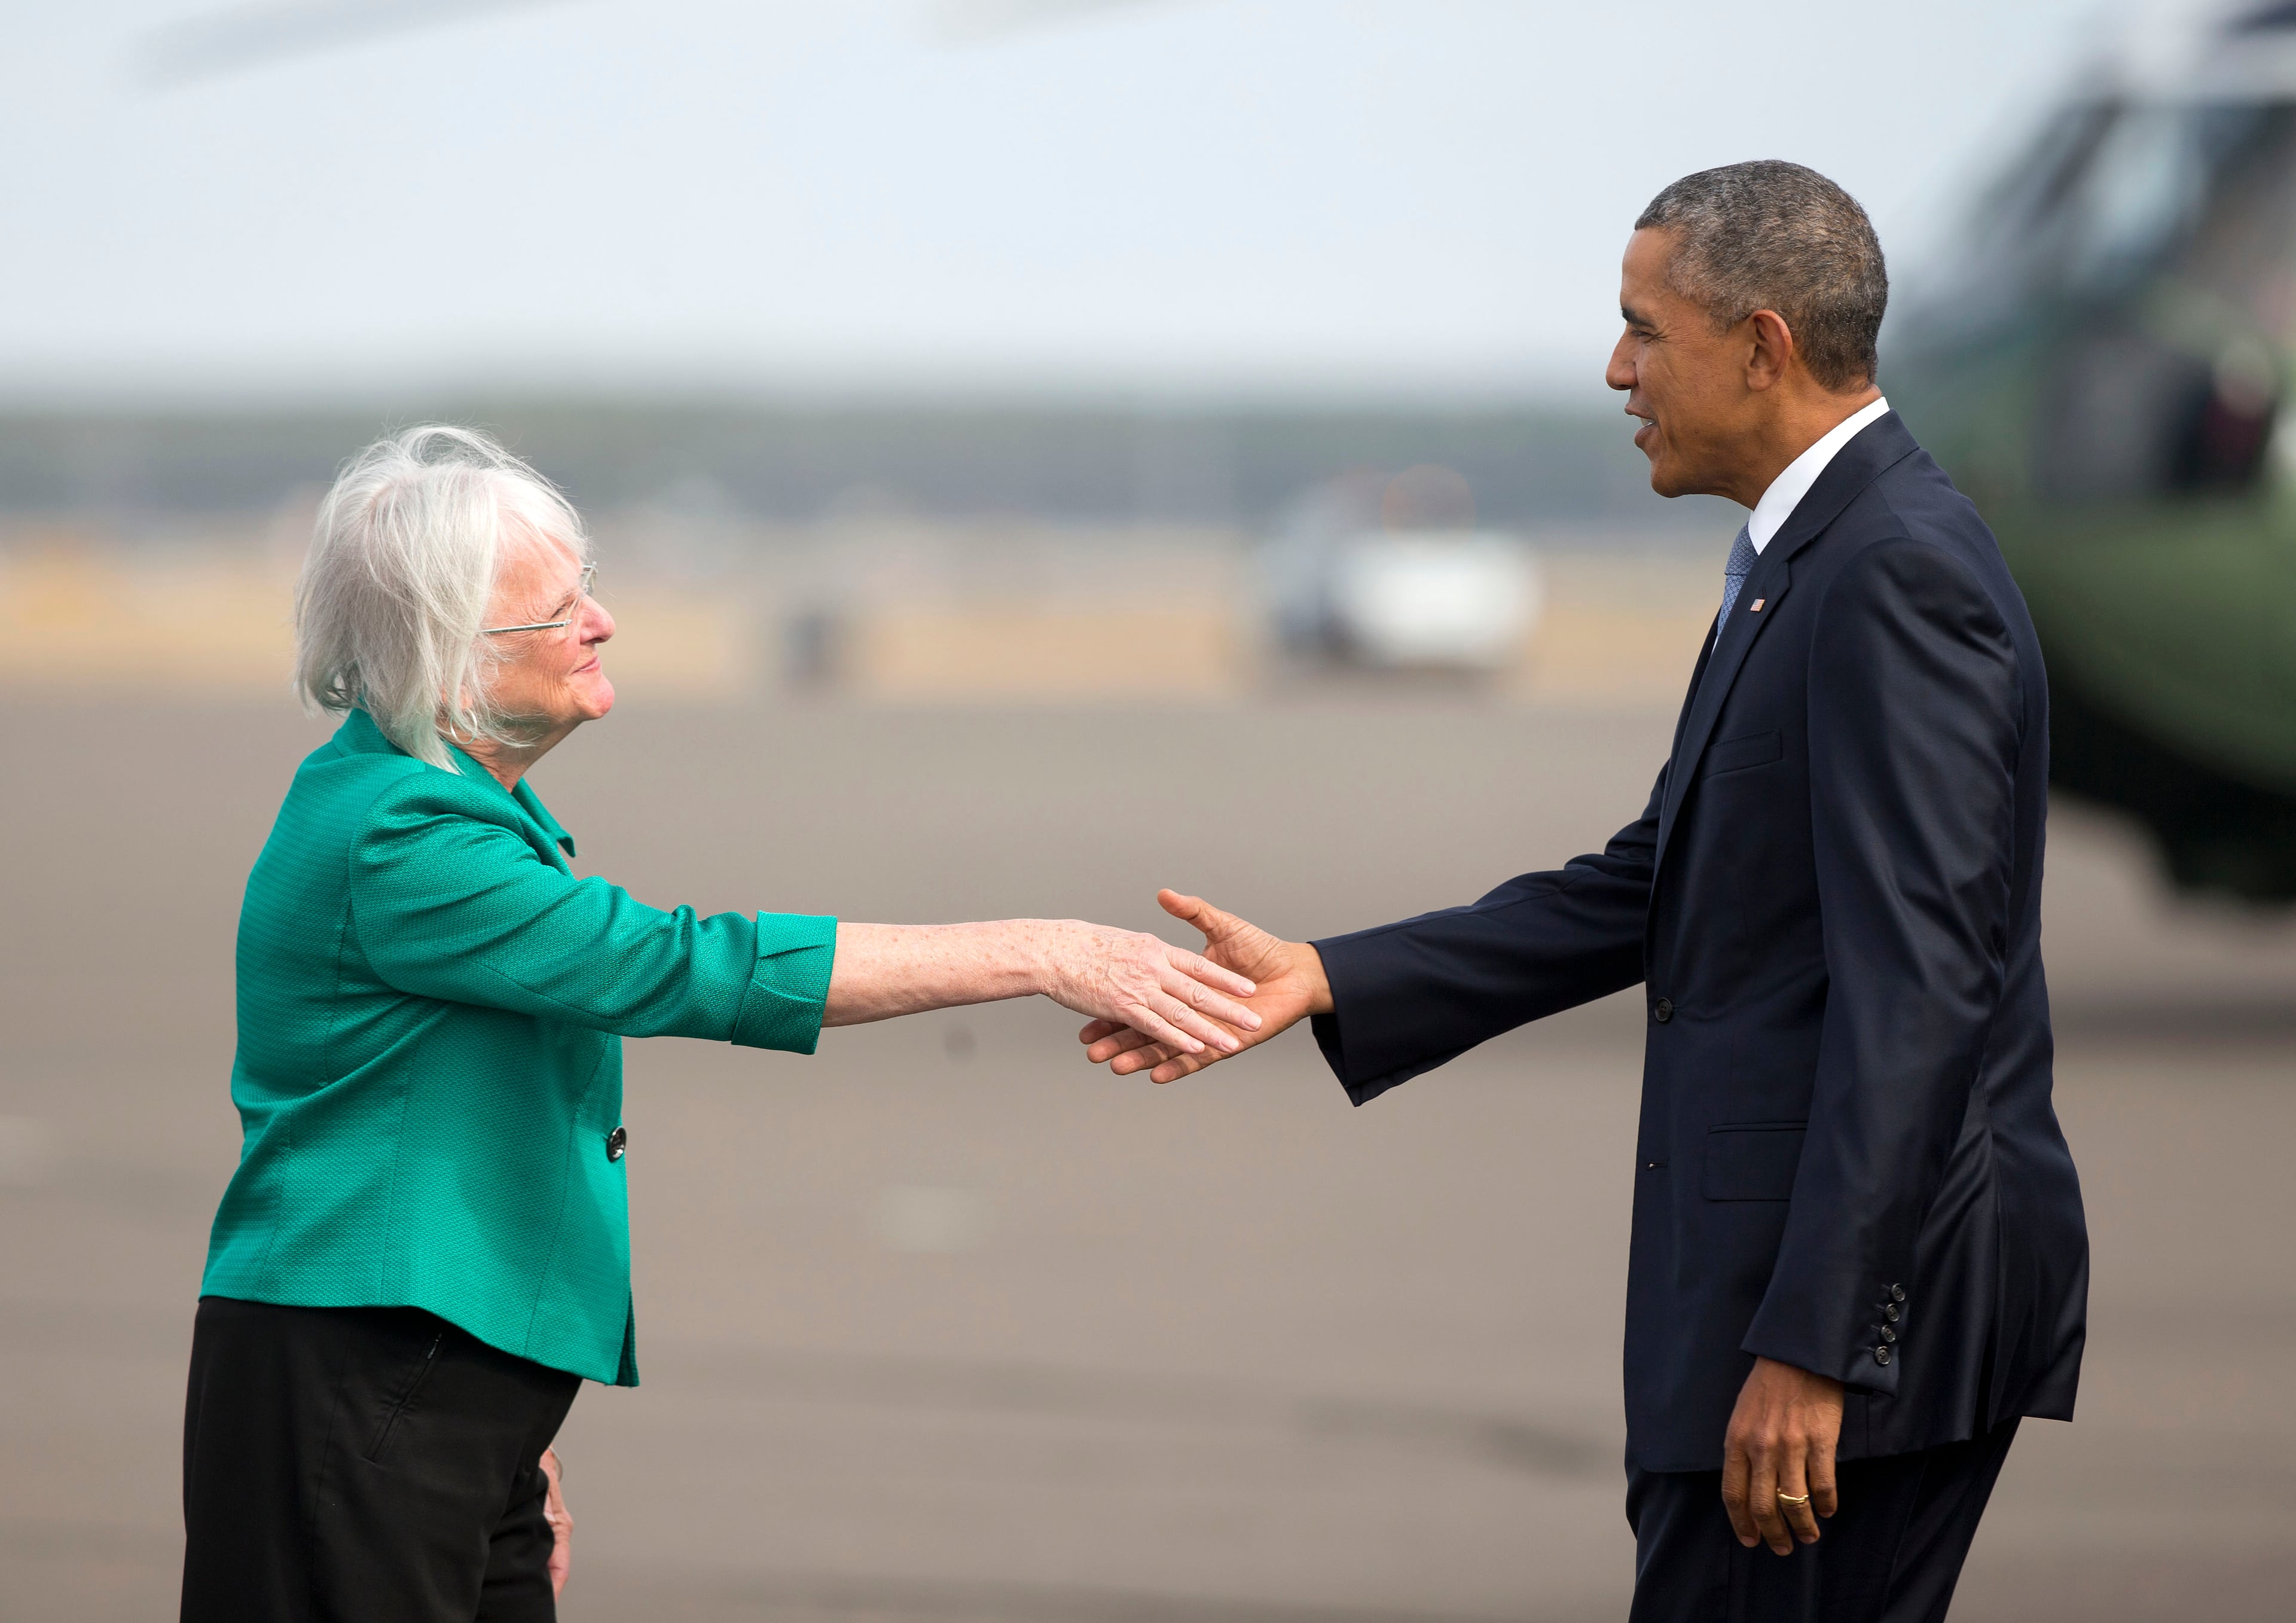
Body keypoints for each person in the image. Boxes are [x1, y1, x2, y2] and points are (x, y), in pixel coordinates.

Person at [1082, 161, 2089, 1622]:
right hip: (1789, 1310)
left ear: (1763, 343)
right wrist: (1329, 973)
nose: (1616, 369)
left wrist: (1817, 1345)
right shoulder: (1807, 555)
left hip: (1851, 1331)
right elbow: (1659, 880)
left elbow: (1922, 989)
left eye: (1644, 329)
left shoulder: (1890, 573)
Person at [180, 425, 1263, 1623]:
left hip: (433, 1377)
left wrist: (508, 1441)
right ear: (448, 660)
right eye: (557, 610)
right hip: (360, 1374)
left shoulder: (435, 805)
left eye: (588, 584)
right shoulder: (404, 836)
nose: (600, 622)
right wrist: (1045, 952)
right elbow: (685, 966)